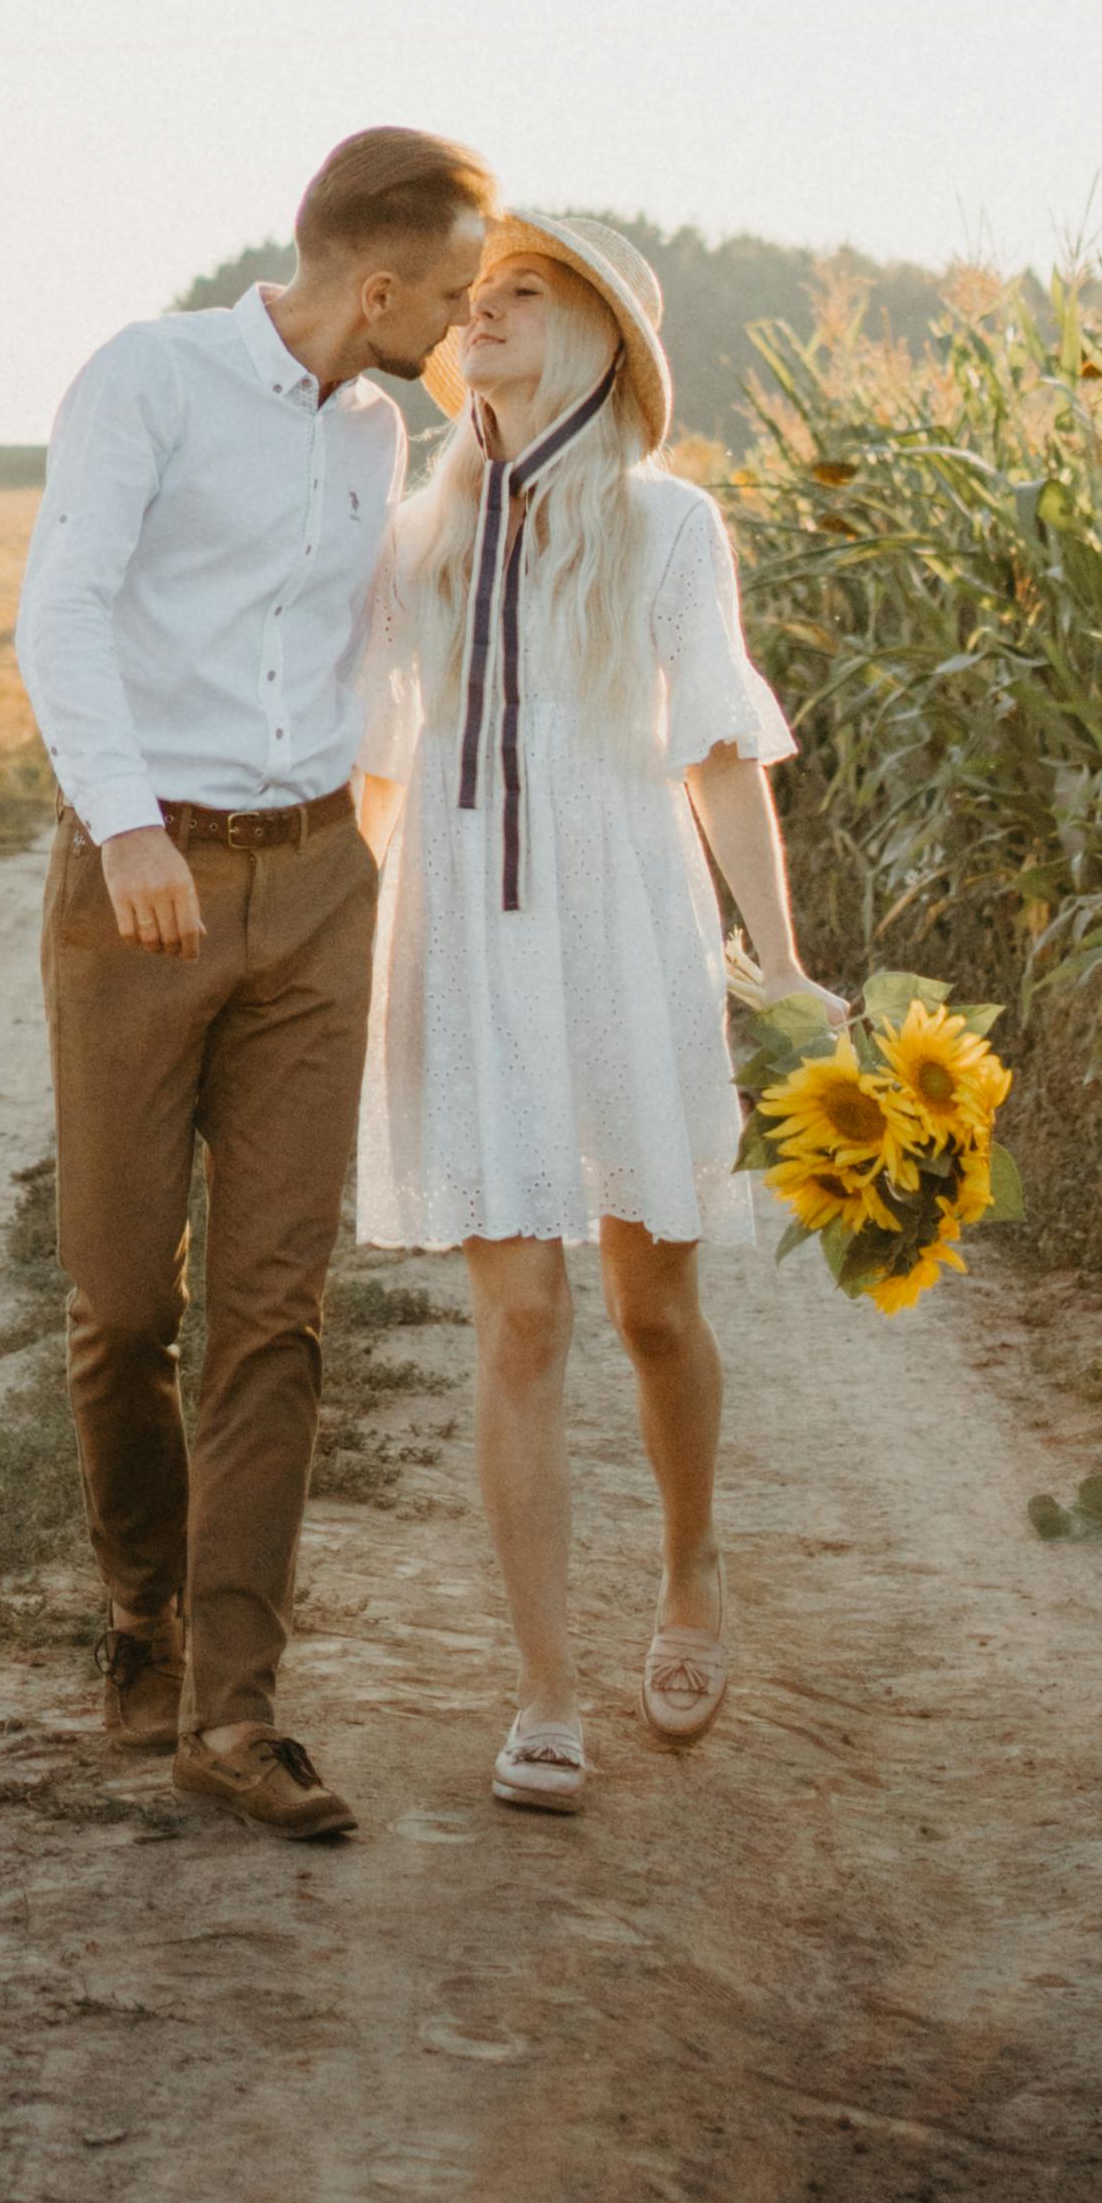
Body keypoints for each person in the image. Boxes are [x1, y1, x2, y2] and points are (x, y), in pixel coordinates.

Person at [13, 124, 496, 1841]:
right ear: (374, 285)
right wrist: (130, 829)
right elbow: (61, 610)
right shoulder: (146, 380)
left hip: (311, 889)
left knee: (275, 1307)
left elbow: (376, 649)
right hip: (136, 885)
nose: (451, 331)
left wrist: (366, 841)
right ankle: (140, 1605)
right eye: (444, 298)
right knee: (124, 1301)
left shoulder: (377, 434)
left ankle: (235, 1710)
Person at [354, 211, 815, 1815]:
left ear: (603, 332)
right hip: (472, 935)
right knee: (520, 1317)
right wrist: (406, 925)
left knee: (651, 1306)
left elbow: (717, 752)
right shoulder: (419, 536)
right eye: (469, 301)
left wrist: (785, 961)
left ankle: (692, 1572)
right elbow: (376, 756)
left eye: (519, 295)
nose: (479, 315)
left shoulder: (671, 528)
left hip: (620, 914)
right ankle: (546, 1687)